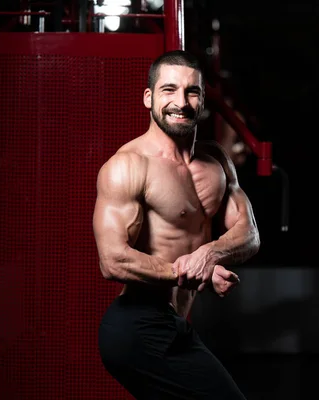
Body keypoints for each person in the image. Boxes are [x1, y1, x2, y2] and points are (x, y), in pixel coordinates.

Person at [93, 50, 260, 400]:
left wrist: (210, 254)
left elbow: (249, 234)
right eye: (169, 90)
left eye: (192, 92)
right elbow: (112, 260)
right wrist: (189, 270)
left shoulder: (217, 162)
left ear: (202, 100)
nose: (181, 102)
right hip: (137, 324)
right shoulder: (128, 166)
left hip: (175, 324)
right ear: (149, 97)